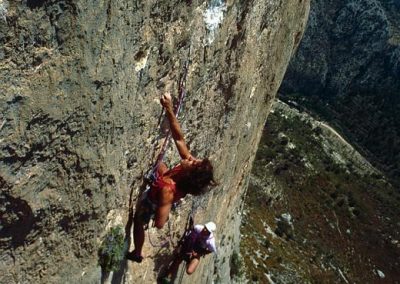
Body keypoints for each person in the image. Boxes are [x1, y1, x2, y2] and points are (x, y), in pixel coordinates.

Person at [127, 92, 215, 263]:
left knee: (138, 221)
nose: (192, 158)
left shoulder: (168, 189)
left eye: (194, 162)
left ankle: (137, 253)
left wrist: (161, 201)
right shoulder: (184, 167)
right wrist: (169, 108)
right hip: (163, 188)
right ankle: (156, 181)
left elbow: (160, 223)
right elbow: (179, 138)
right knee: (161, 166)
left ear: (190, 174)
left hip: (154, 201)